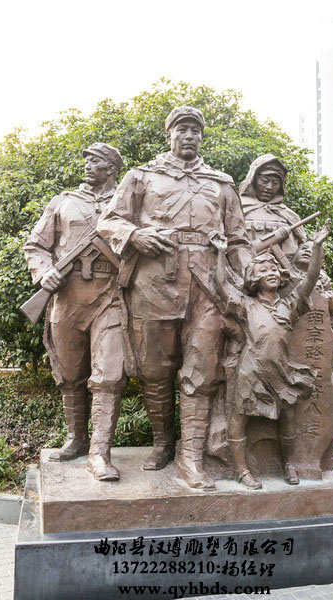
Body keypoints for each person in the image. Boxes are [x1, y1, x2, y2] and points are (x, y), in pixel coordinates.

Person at [97, 106, 252, 490]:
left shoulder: (221, 184)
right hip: (155, 280)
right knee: (155, 370)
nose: (189, 136)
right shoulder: (142, 177)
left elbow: (238, 241)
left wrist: (251, 279)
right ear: (169, 135)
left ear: (202, 137)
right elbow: (108, 221)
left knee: (202, 371)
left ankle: (191, 459)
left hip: (208, 284)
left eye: (195, 130)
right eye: (182, 129)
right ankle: (164, 442)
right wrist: (135, 235)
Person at [24, 143, 130, 481]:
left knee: (108, 375)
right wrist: (44, 272)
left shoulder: (128, 202)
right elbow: (36, 245)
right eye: (87, 160)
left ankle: (100, 453)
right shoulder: (63, 201)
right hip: (67, 297)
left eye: (95, 161)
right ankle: (77, 439)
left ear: (111, 168)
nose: (87, 165)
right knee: (69, 373)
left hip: (111, 295)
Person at [210, 220, 330, 488]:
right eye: (264, 270)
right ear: (254, 279)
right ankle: (242, 470)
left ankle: (289, 464)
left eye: (274, 268)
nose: (272, 272)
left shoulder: (291, 304)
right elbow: (222, 286)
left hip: (281, 370)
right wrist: (220, 252)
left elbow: (310, 279)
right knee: (239, 418)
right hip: (250, 371)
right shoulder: (246, 305)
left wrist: (317, 247)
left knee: (288, 417)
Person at [239, 154, 307, 267]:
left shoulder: (289, 215)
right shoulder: (237, 208)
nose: (269, 187)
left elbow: (303, 249)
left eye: (275, 183)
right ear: (253, 180)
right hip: (245, 268)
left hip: (281, 272)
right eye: (265, 181)